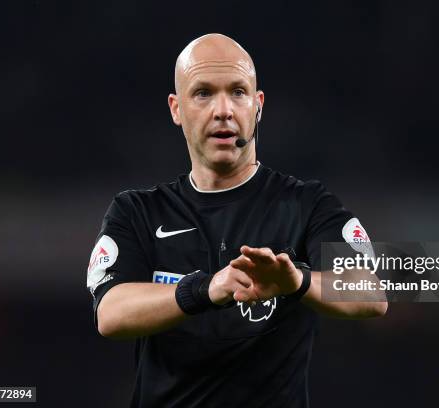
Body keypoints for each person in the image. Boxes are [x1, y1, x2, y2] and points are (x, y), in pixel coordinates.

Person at [86, 33, 387, 408]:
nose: (224, 109)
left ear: (258, 105)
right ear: (176, 108)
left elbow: (371, 292)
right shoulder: (138, 213)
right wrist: (204, 290)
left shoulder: (306, 205)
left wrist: (299, 281)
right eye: (203, 93)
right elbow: (110, 313)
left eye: (239, 92)